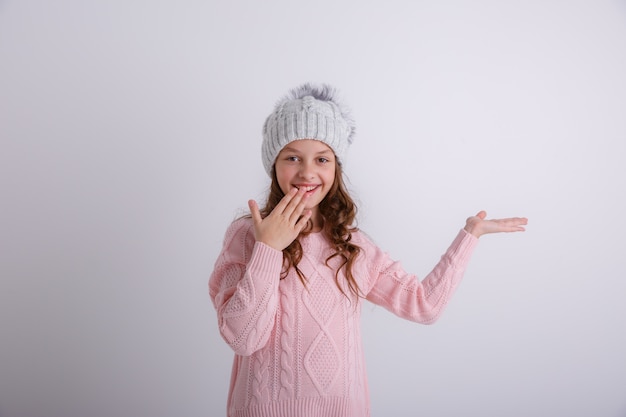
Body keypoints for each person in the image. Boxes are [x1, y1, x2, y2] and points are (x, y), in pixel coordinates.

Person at [208, 83, 528, 417]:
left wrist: (470, 235)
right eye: (292, 158)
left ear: (336, 168)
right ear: (274, 165)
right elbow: (241, 338)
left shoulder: (353, 245)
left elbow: (424, 305)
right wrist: (269, 248)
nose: (307, 172)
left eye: (322, 159)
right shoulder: (247, 235)